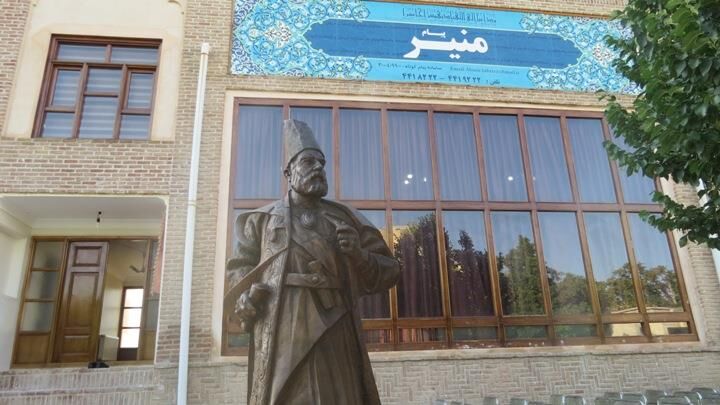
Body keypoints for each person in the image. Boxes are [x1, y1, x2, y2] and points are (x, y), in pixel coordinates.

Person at [225, 119, 400, 405]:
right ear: (288, 172)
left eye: (321, 163)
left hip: (336, 329)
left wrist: (359, 255)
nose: (318, 168)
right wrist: (245, 296)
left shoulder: (346, 219)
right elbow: (239, 269)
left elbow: (390, 271)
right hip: (283, 327)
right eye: (308, 162)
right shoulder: (262, 220)